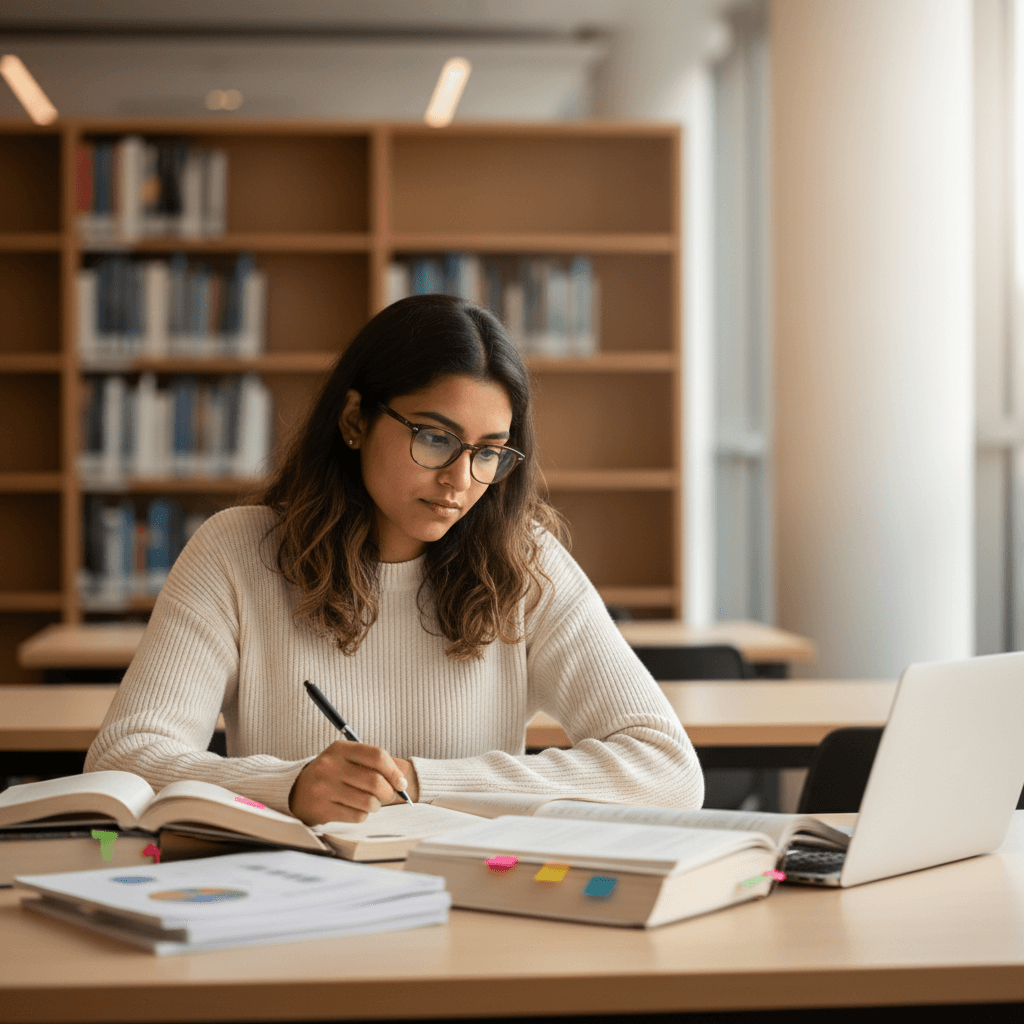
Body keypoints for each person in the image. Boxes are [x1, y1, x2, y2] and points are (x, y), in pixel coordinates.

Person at [85, 295, 704, 825]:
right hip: (294, 900)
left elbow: (670, 771)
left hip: (474, 908)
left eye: (487, 452)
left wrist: (424, 784)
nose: (460, 480)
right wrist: (290, 788)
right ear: (355, 420)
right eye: (434, 437)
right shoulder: (235, 553)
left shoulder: (525, 566)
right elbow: (124, 759)